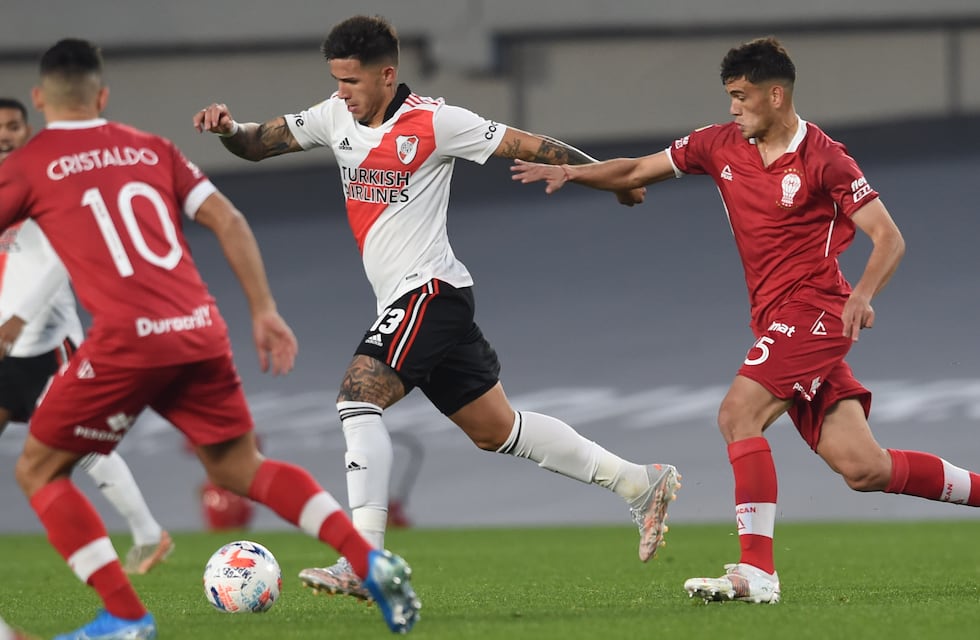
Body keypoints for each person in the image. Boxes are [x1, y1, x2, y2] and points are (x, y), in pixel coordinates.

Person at [195, 14, 681, 601]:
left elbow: (533, 145)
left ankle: (365, 560)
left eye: (351, 81)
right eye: (336, 80)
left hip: (428, 291)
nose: (341, 92)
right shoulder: (333, 116)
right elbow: (255, 144)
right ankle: (638, 483)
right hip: (418, 299)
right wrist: (229, 129)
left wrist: (615, 180)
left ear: (386, 75)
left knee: (357, 397)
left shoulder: (436, 122)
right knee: (498, 430)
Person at [512, 36, 980, 604]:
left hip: (816, 311)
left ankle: (756, 572)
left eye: (741, 95)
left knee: (739, 414)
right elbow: (636, 168)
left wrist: (862, 294)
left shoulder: (825, 159)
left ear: (775, 95)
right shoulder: (718, 145)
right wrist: (573, 173)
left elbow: (889, 237)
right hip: (776, 319)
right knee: (864, 468)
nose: (733, 107)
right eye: (730, 96)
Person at [1, 38, 420, 638]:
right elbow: (227, 217)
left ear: (40, 99)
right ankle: (370, 561)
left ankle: (125, 617)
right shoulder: (152, 148)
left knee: (39, 471)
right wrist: (264, 310)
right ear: (103, 96)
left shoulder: (30, 162)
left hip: (128, 339)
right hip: (199, 327)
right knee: (239, 466)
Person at [0, 97, 173, 576]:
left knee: (83, 446)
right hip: (6, 350)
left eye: (12, 126)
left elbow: (63, 259)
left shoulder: (42, 183)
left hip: (49, 344)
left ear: (27, 130)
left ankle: (147, 534)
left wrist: (19, 318)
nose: (4, 136)